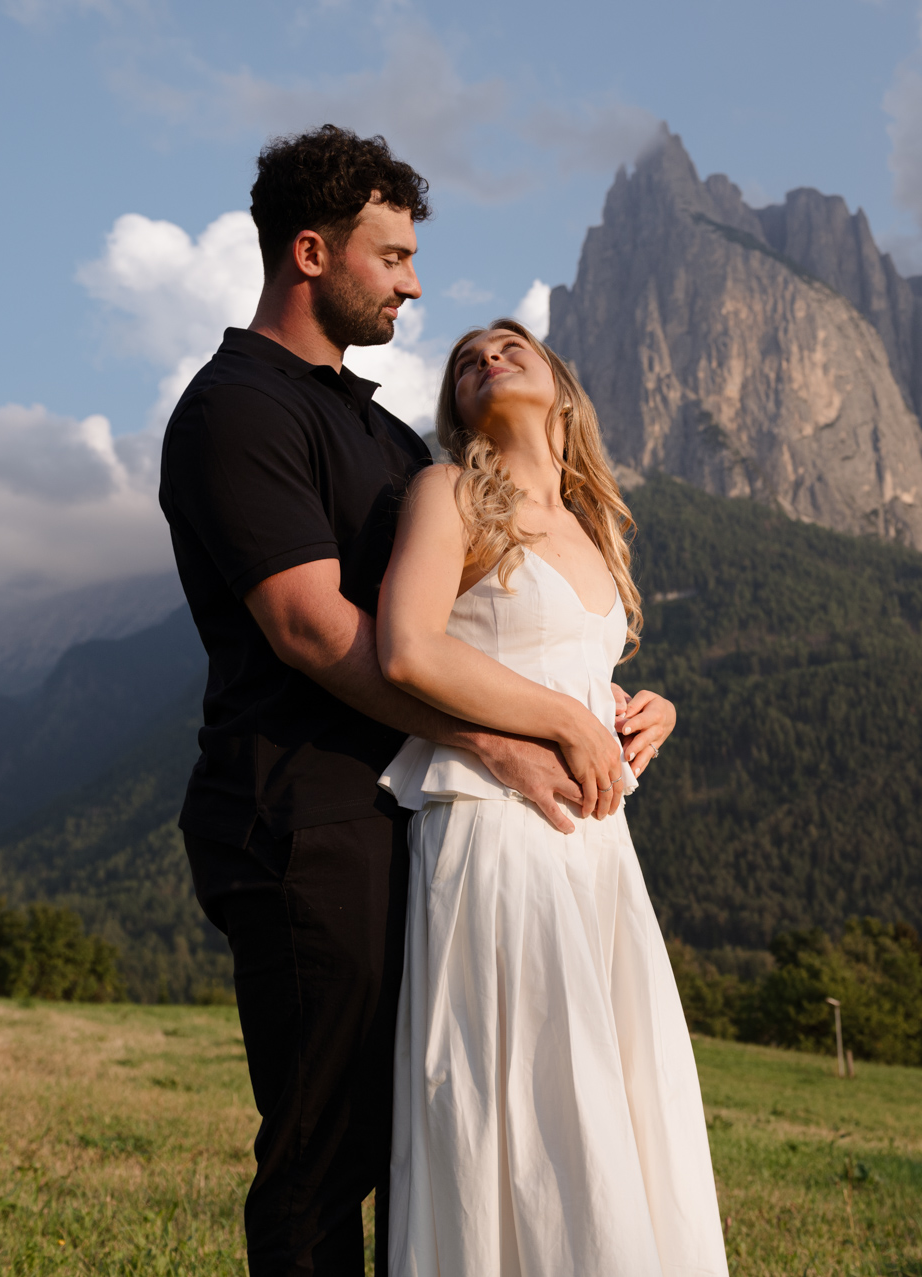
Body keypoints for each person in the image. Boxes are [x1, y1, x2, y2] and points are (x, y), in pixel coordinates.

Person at [159, 125, 650, 1276]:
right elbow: (312, 627)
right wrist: (504, 738)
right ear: (313, 252)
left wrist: (608, 697)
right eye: (392, 257)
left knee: (429, 1139)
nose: (415, 283)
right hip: (298, 818)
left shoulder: (383, 434)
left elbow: (482, 620)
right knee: (324, 1156)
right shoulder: (238, 409)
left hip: (408, 822)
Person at [374, 319, 728, 1276]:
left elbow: (564, 665)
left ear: (563, 391)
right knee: (521, 1097)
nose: (486, 357)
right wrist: (562, 726)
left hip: (596, 847)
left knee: (613, 1097)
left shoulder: (592, 525)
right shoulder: (446, 493)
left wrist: (635, 709)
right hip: (494, 829)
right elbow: (408, 649)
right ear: (455, 407)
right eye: (464, 361)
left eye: (509, 346)